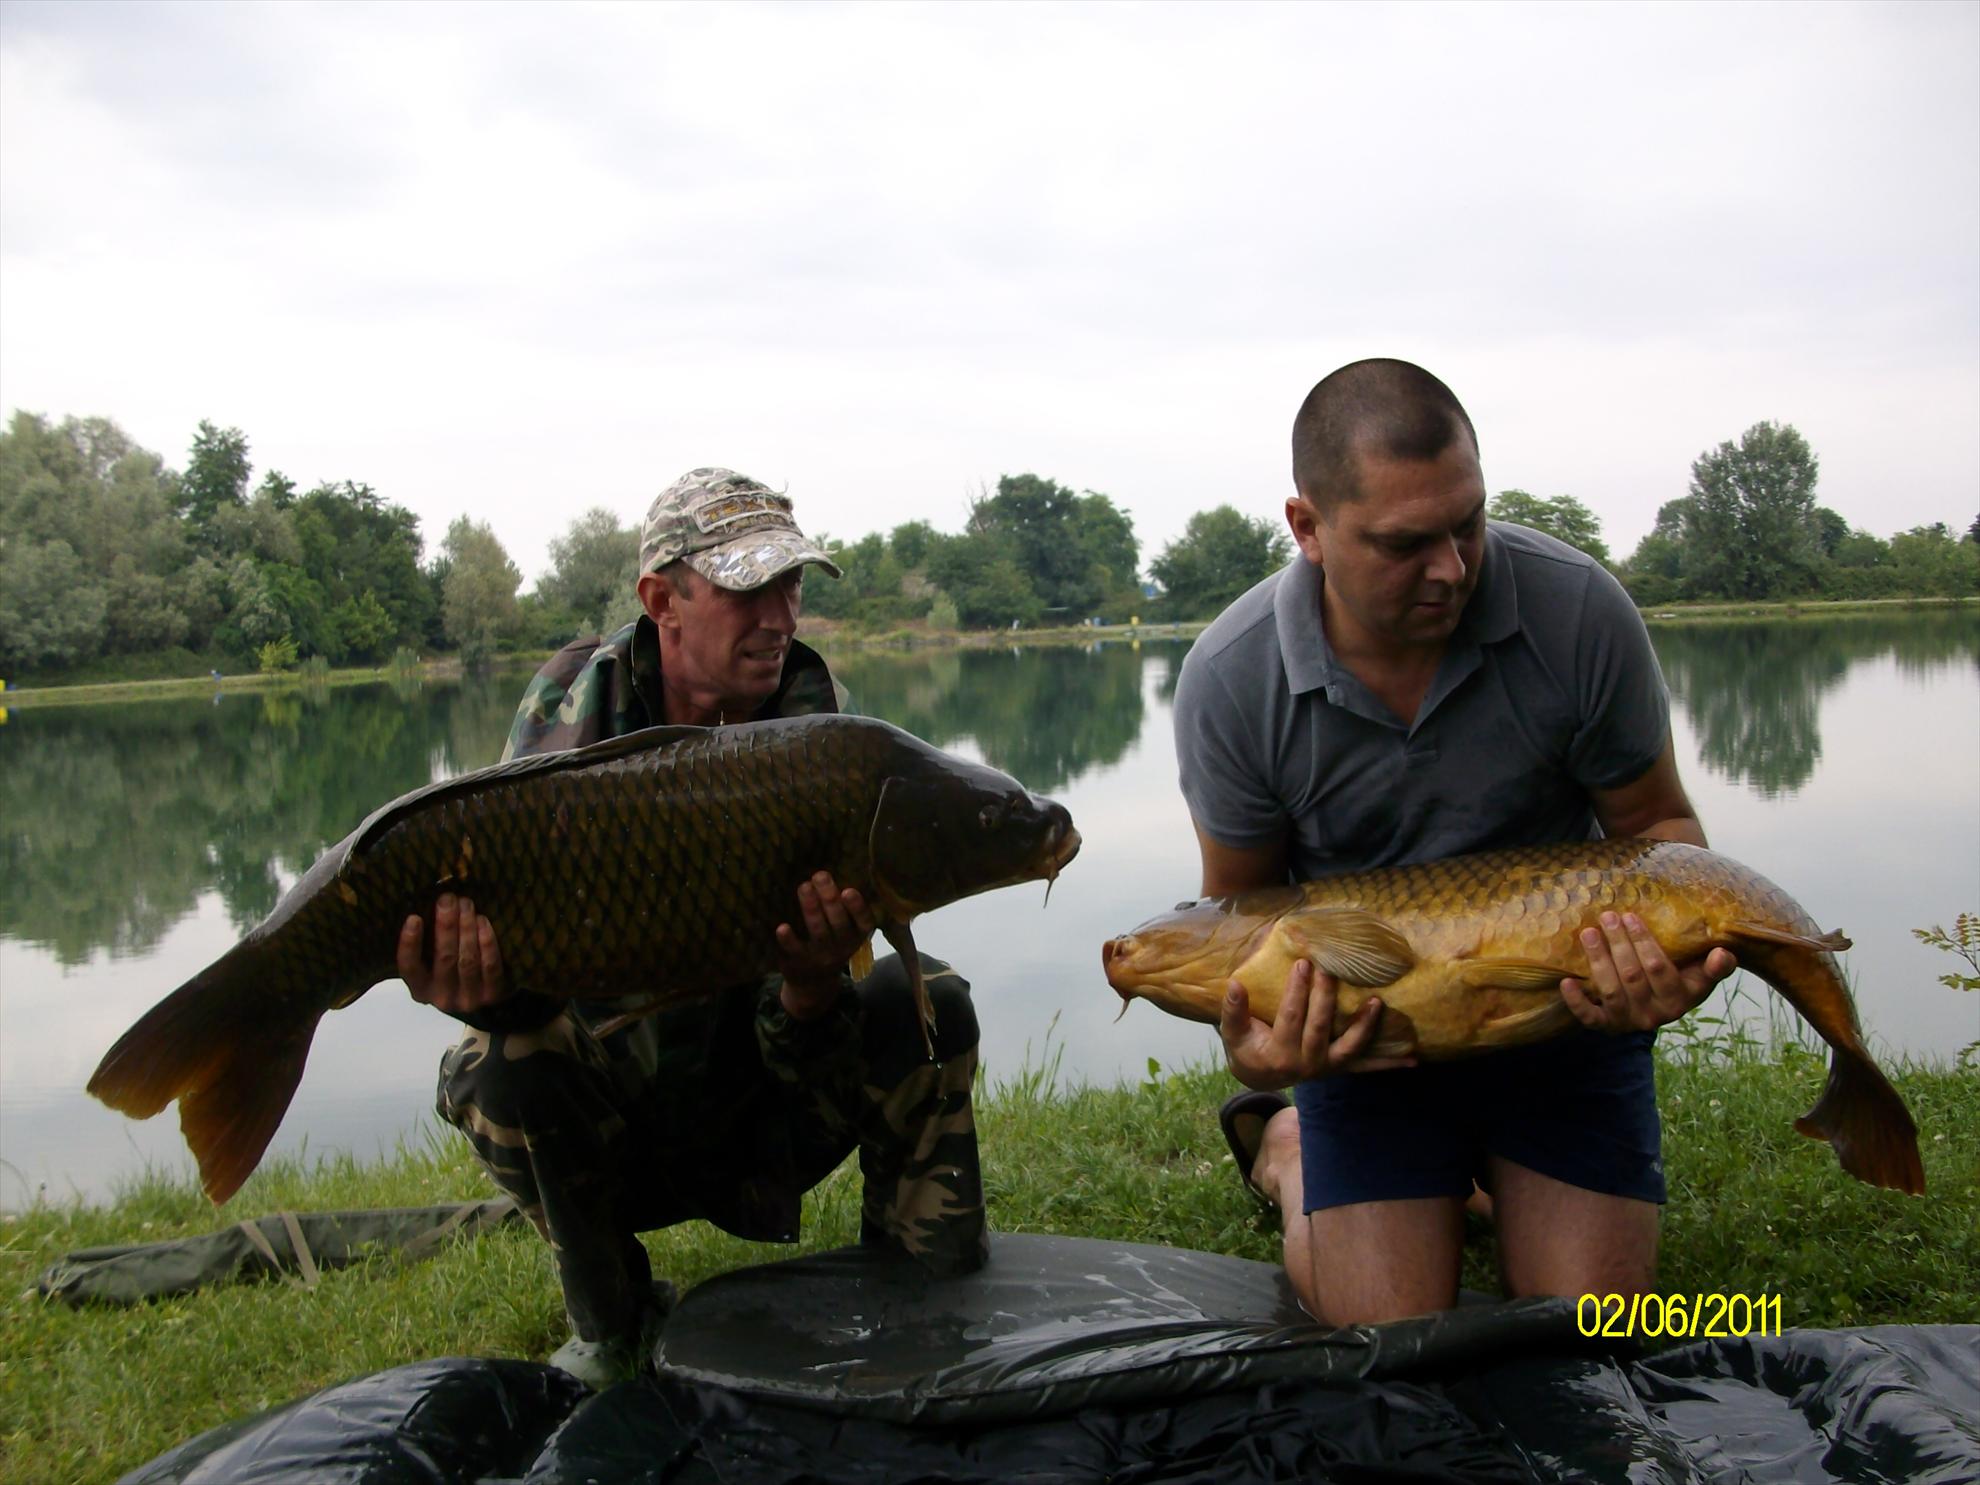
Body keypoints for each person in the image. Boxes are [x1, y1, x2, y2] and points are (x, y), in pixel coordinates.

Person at [1172, 360, 1737, 1327]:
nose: (1453, 568)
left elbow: (1658, 828)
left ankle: (1483, 1177)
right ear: (1307, 528)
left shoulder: (1577, 609)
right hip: (1370, 1042)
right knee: (1386, 1332)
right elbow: (1242, 916)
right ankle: (1289, 1148)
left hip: (1559, 1017)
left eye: (1467, 523)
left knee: (1586, 1329)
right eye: (1404, 543)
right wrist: (1261, 1052)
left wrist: (1661, 965)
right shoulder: (1233, 678)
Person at [399, 468, 987, 1387]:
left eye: (792, 586)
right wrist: (476, 988)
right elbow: (537, 982)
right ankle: (613, 1319)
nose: (780, 616)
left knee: (929, 998)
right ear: (661, 600)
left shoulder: (819, 728)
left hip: (769, 1090)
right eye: (749, 589)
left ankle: (920, 1273)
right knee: (498, 1058)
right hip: (623, 1107)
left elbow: (817, 1030)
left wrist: (810, 984)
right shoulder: (570, 717)